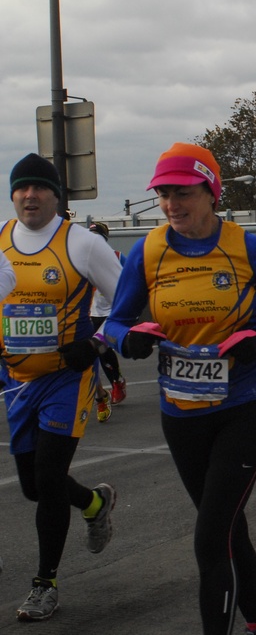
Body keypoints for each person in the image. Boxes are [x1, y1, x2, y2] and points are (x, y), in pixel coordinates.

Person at [103, 142, 256, 635]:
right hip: (181, 411)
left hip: (245, 406)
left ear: (211, 193)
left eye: (183, 192)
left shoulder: (248, 246)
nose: (172, 204)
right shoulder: (148, 251)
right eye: (164, 194)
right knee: (229, 527)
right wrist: (130, 340)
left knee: (211, 536)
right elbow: (113, 324)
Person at [1, 153, 120, 622]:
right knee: (33, 487)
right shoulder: (2, 242)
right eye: (22, 188)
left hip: (66, 380)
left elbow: (127, 301)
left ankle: (44, 584)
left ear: (56, 196)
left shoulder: (84, 245)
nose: (30, 196)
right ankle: (94, 501)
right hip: (17, 382)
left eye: (40, 188)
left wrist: (94, 343)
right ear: (13, 195)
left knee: (49, 479)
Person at [87, 221, 128, 422]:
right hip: (91, 313)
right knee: (95, 352)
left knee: (104, 349)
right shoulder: (82, 257)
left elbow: (135, 280)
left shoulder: (119, 257)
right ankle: (105, 390)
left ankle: (115, 382)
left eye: (98, 237)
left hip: (113, 312)